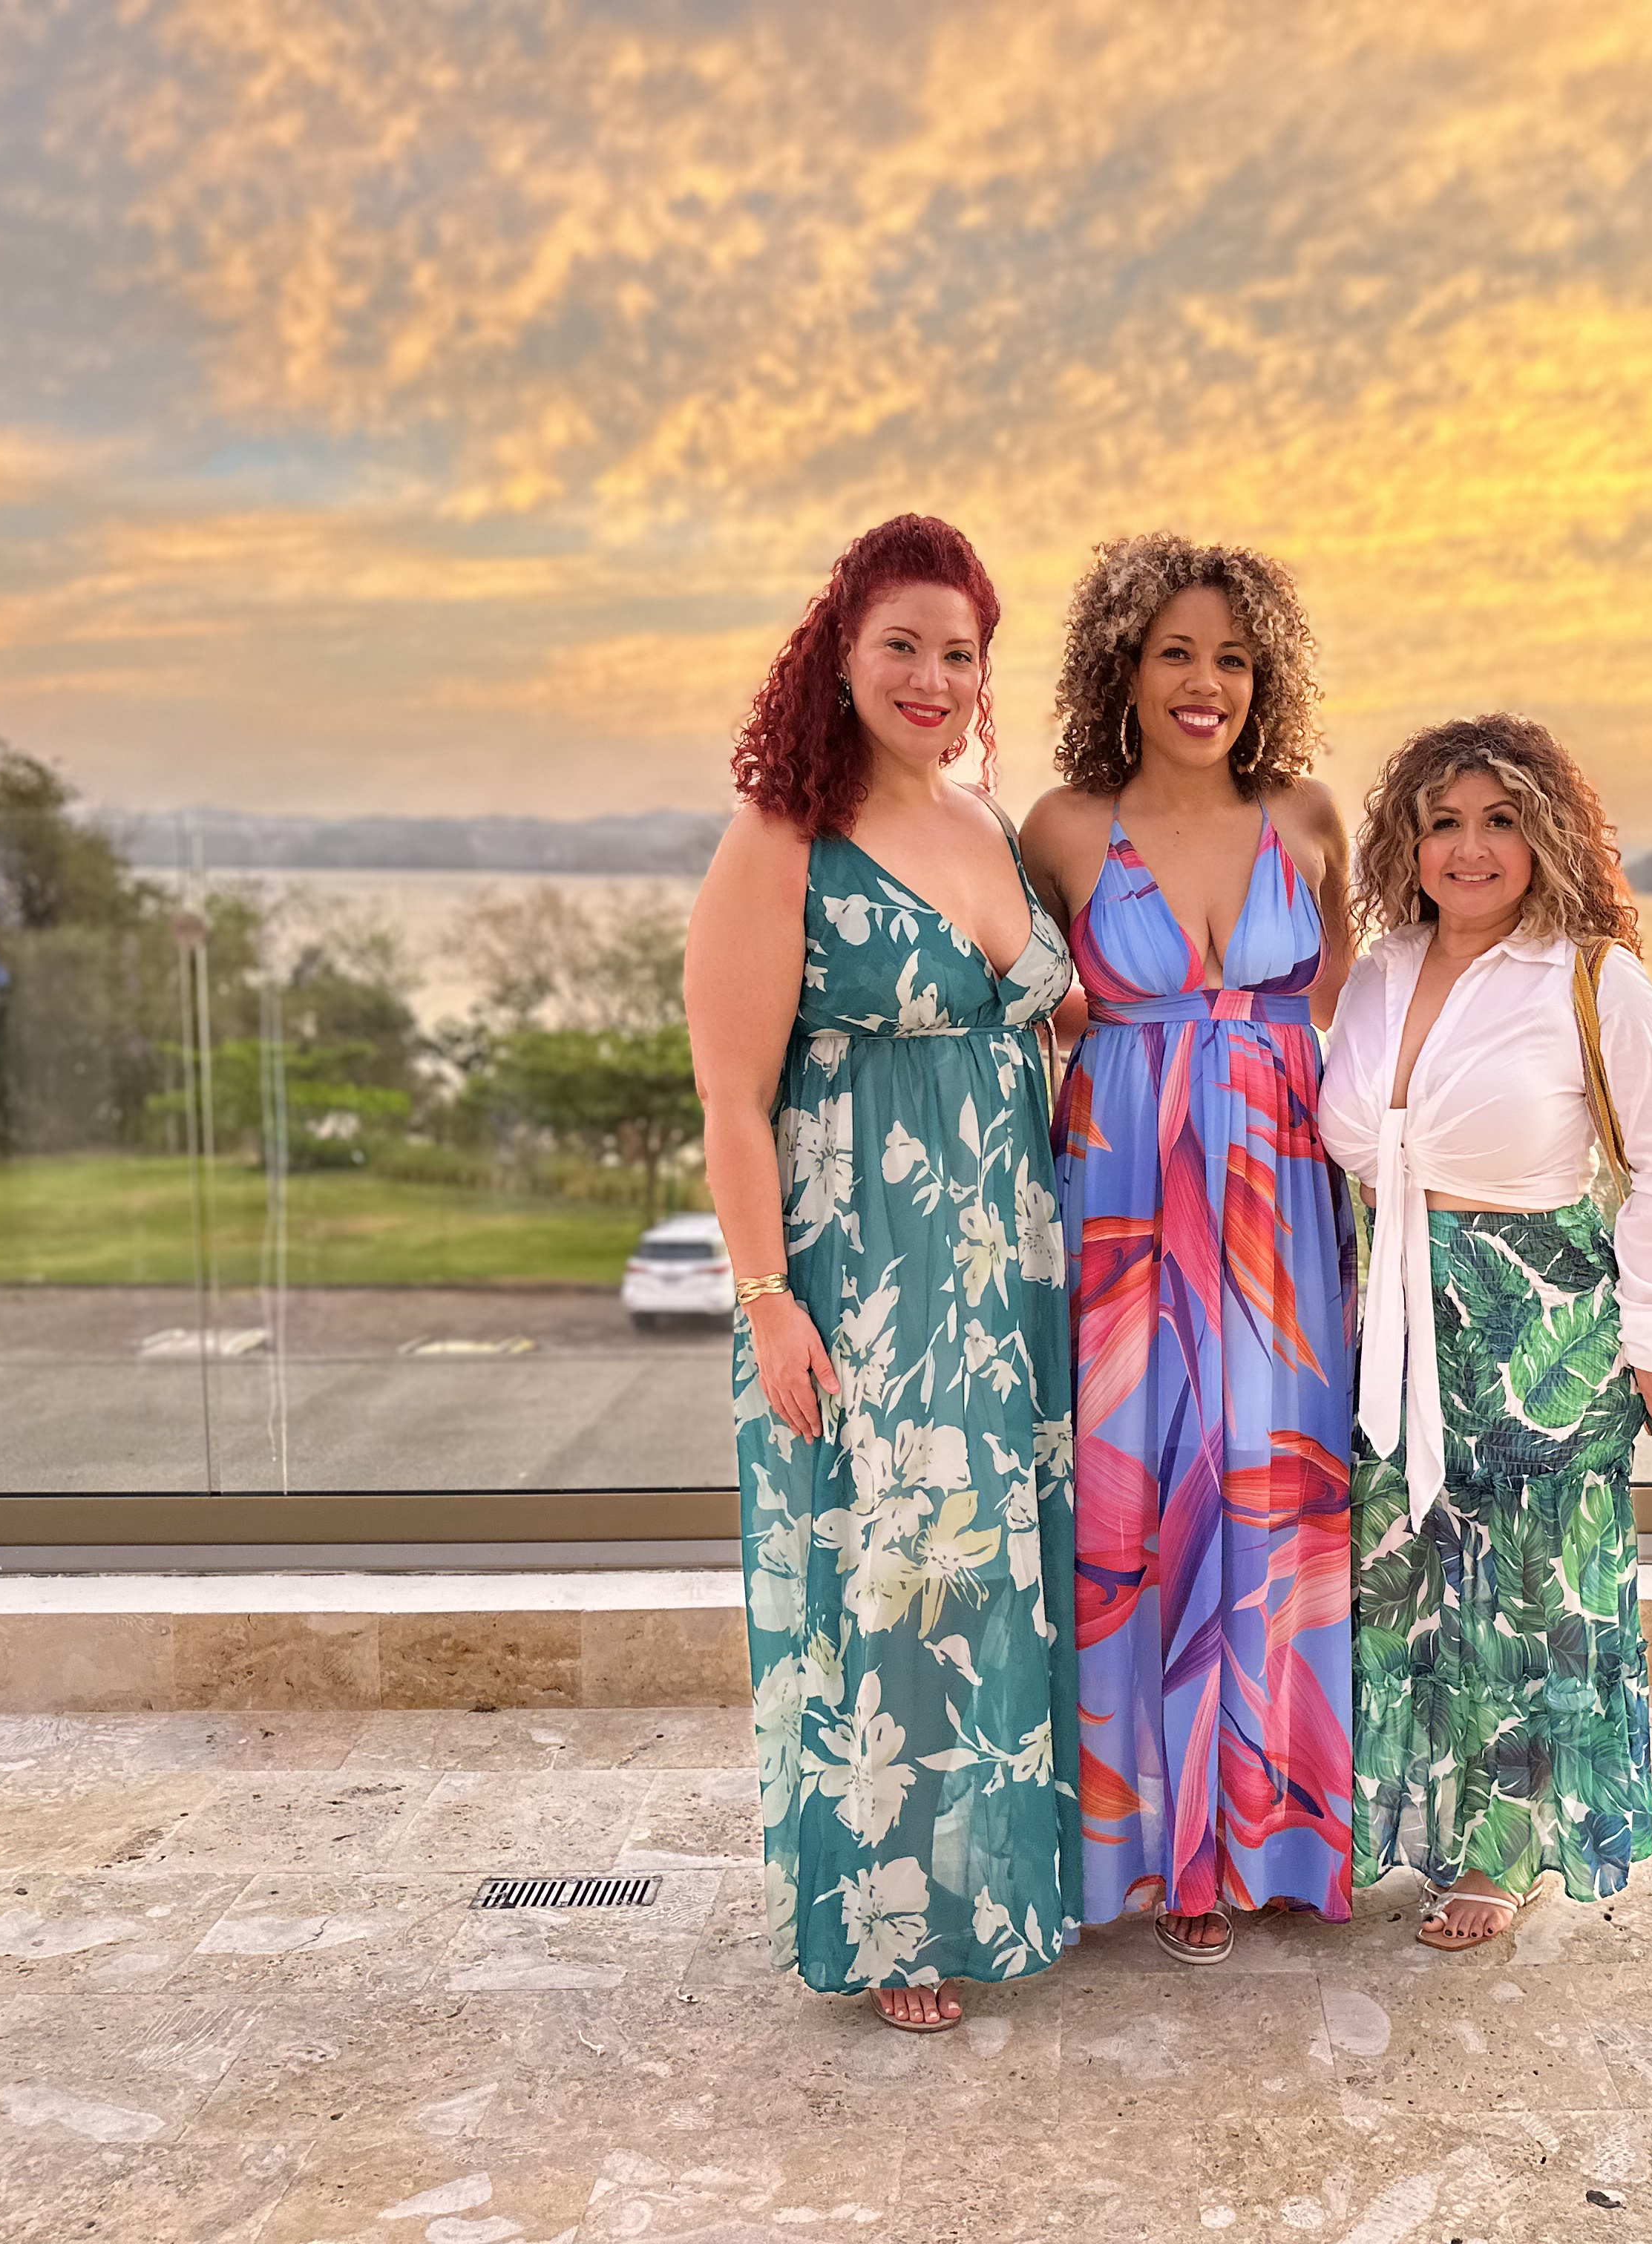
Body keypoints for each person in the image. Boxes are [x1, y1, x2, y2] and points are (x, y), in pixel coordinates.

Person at [684, 515, 1079, 2031]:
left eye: (958, 653)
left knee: (989, 1576)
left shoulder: (984, 826)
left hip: (1001, 1267)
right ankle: (893, 1922)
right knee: (890, 1578)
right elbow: (730, 1095)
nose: (931, 676)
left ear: (986, 677)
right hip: (862, 1276)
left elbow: (1041, 1019)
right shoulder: (782, 833)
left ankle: (999, 1887)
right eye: (901, 645)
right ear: (838, 655)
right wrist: (764, 1299)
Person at [1317, 713, 1652, 1952]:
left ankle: (1504, 1855)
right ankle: (1411, 1826)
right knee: (1410, 1586)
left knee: (1530, 1600)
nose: (1471, 848)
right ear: (1409, 839)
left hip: (1543, 1323)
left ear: (1545, 836)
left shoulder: (1595, 976)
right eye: (1444, 822)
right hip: (1395, 1319)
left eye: (1499, 821)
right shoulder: (1380, 970)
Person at [1020, 533, 1357, 1960]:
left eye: (1233, 656)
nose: (1206, 682)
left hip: (1278, 1210)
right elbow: (1026, 999)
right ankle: (1150, 1856)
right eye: (1176, 653)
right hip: (1119, 1202)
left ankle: (1267, 1838)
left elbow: (1346, 1004)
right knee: (1127, 1503)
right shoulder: (1058, 828)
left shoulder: (1311, 816)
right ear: (1124, 667)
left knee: (1277, 1505)